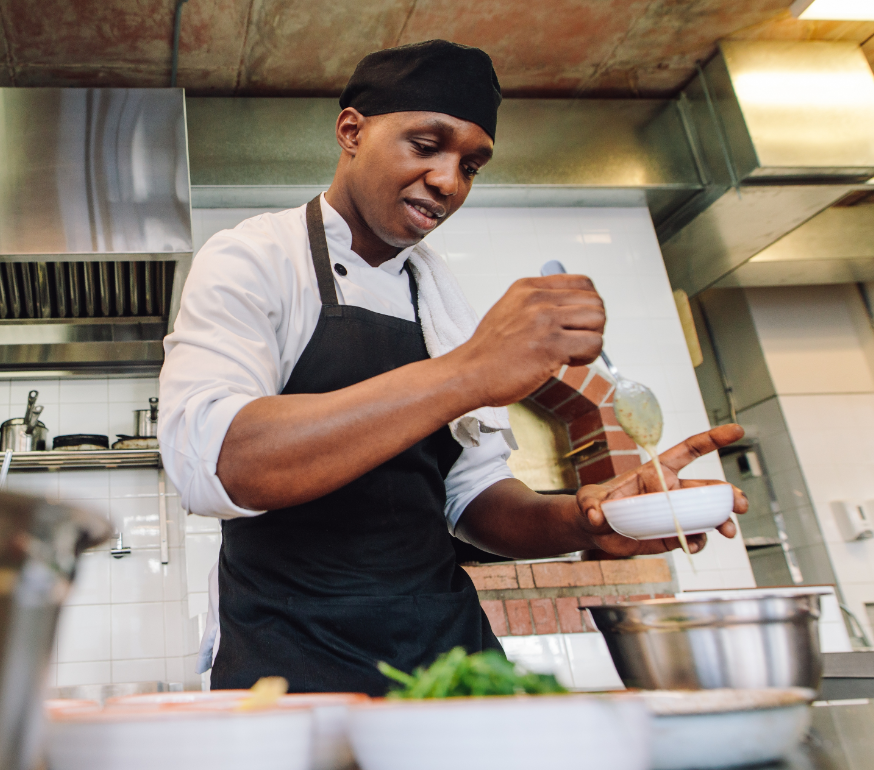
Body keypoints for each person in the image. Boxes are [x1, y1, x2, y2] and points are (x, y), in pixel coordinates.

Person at [159, 40, 747, 695]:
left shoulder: (438, 298)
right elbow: (219, 463)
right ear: (351, 131)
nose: (449, 181)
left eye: (471, 164)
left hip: (448, 659)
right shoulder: (254, 258)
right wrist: (469, 370)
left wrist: (588, 521)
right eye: (425, 144)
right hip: (291, 664)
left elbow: (473, 500)